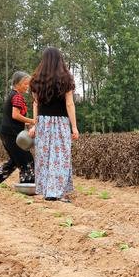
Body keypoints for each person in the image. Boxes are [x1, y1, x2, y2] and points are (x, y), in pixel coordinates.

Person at [28, 47, 79, 202]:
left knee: (44, 157)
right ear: (60, 60)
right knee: (61, 157)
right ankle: (57, 192)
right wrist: (74, 127)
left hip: (43, 123)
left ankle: (48, 190)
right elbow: (69, 104)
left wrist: (35, 124)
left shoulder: (35, 80)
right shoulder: (66, 79)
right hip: (61, 123)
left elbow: (35, 104)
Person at [0, 71, 36, 185]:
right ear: (17, 84)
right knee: (27, 159)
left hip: (7, 133)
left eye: (28, 84)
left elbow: (13, 117)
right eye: (25, 84)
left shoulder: (12, 95)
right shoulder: (17, 96)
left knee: (15, 160)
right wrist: (32, 120)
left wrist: (28, 123)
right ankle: (28, 185)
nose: (27, 87)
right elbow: (15, 115)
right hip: (12, 134)